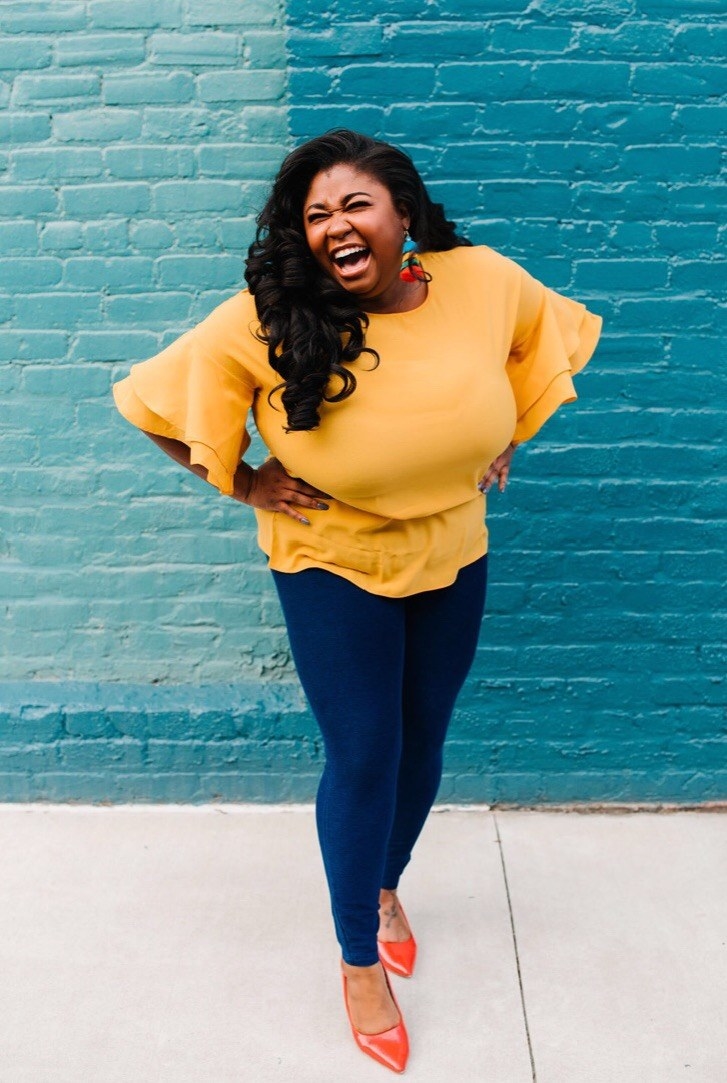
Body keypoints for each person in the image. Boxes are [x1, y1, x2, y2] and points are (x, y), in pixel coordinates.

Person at [111, 128, 603, 1074]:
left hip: (454, 547)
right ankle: (355, 961)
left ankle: (381, 888)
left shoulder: (481, 280)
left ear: (401, 217)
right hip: (330, 560)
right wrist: (246, 483)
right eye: (316, 215)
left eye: (354, 205)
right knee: (366, 752)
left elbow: (540, 348)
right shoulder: (267, 317)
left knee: (423, 740)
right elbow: (148, 402)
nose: (335, 225)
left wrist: (500, 439)